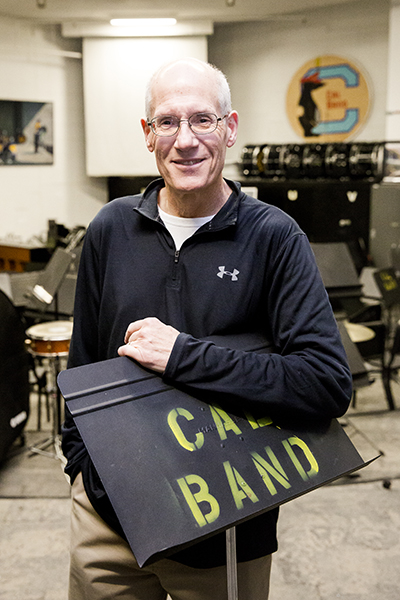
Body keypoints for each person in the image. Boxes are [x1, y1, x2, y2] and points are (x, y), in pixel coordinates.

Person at [61, 57, 352, 600]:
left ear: (230, 128)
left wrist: (181, 355)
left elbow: (325, 383)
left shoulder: (274, 237)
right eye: (168, 122)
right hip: (109, 521)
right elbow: (83, 364)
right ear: (148, 135)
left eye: (203, 120)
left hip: (224, 529)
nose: (186, 139)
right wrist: (81, 471)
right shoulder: (110, 228)